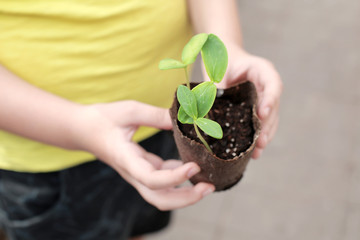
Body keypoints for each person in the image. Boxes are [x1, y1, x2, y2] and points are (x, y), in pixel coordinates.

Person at [0, 0, 282, 239]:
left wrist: (225, 45)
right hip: (47, 160)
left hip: (166, 127)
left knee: (138, 223)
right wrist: (78, 126)